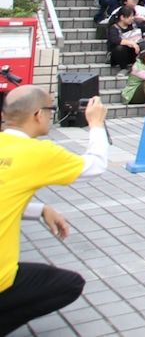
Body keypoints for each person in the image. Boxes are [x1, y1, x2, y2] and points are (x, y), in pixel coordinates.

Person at [0, 87, 108, 335]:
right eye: (51, 110)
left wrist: (38, 209)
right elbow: (95, 166)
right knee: (69, 284)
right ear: (39, 114)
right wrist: (96, 124)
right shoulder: (38, 153)